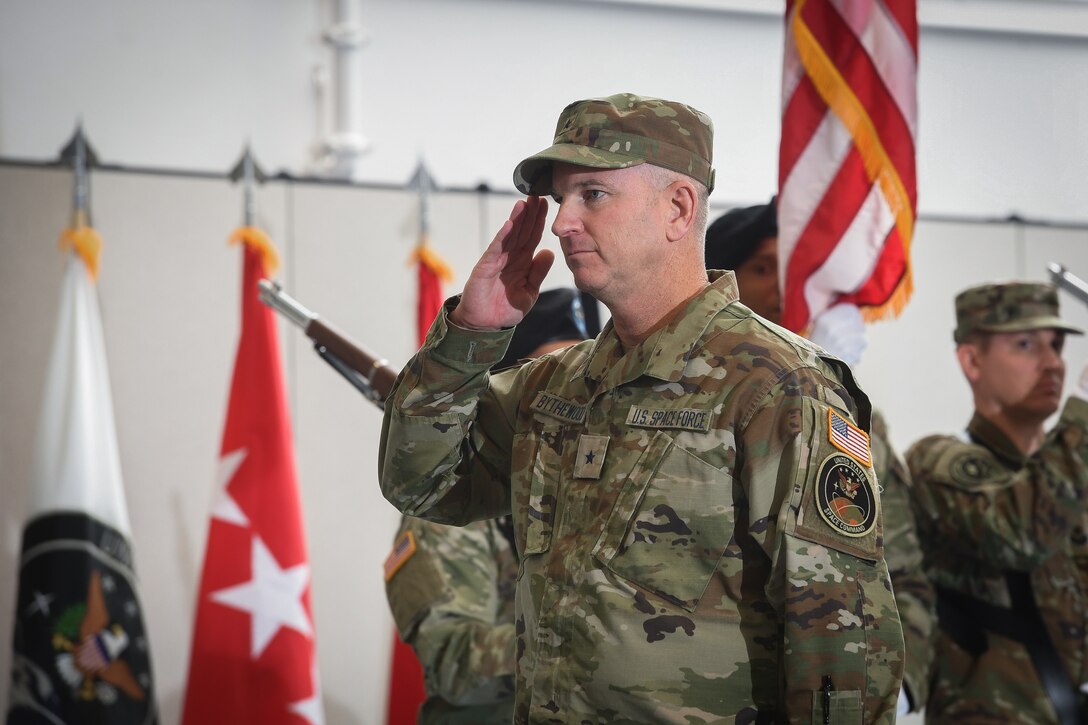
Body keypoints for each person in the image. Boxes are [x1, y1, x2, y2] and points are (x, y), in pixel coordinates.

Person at [379, 92, 904, 723]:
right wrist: (470, 336)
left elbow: (842, 643)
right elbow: (421, 482)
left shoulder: (778, 385)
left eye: (592, 195)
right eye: (561, 199)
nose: (562, 222)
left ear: (678, 208)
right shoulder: (556, 385)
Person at [706, 199, 937, 715]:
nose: (790, 289)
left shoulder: (859, 421)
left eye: (803, 270)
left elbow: (906, 575)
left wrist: (898, 693)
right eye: (765, 269)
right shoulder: (686, 408)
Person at [383, 289, 590, 725]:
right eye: (550, 384)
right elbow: (453, 662)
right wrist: (590, 647)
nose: (575, 404)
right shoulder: (455, 508)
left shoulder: (597, 488)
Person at [906, 282, 1087, 724]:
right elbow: (1020, 534)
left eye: (1057, 346)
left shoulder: (1074, 467)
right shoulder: (938, 460)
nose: (1052, 364)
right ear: (971, 360)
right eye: (1025, 345)